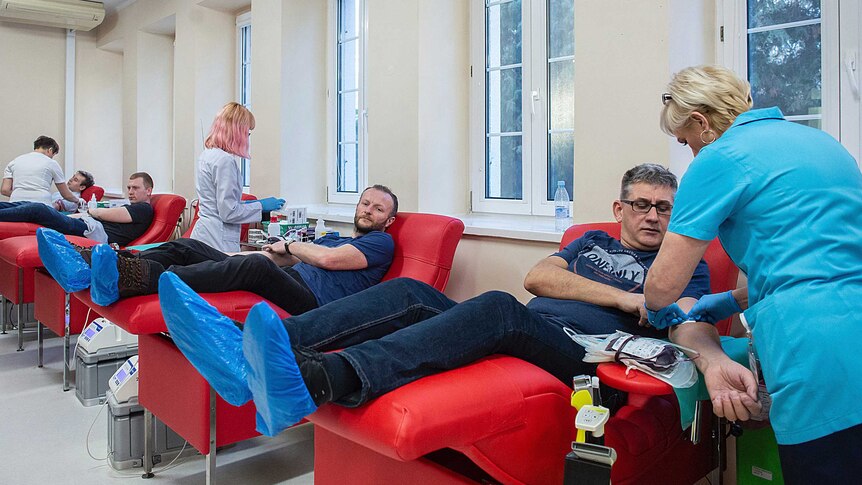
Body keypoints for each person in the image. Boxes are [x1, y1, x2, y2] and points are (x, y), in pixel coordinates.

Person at [158, 164, 711, 436]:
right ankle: (245, 355)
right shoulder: (590, 241)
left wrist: (690, 337)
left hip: (584, 365)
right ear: (620, 210)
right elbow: (539, 277)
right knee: (409, 291)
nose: (652, 216)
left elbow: (687, 327)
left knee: (494, 306)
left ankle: (321, 379)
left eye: (664, 208)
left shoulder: (689, 265)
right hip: (532, 327)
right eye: (641, 205)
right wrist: (624, 294)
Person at [643, 65, 862, 483]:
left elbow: (664, 286)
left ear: (702, 124)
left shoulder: (719, 159)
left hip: (815, 346)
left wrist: (655, 308)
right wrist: (732, 301)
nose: (688, 149)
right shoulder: (823, 143)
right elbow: (816, 258)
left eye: (685, 139)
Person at [44, 185, 398, 311]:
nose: (367, 210)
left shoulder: (381, 241)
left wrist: (286, 245)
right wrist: (226, 257)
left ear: (388, 219)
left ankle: (135, 277)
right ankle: (109, 263)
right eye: (365, 203)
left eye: (377, 208)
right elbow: (279, 256)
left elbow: (328, 260)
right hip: (288, 275)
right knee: (188, 245)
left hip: (313, 301)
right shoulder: (336, 236)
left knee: (258, 268)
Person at [191, 102, 285, 252]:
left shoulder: (208, 155)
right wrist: (261, 206)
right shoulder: (224, 161)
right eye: (247, 132)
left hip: (205, 235)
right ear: (237, 131)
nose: (248, 137)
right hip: (218, 240)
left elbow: (220, 203)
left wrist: (250, 204)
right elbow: (228, 212)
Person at [0, 172, 154, 245]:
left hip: (92, 233)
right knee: (26, 205)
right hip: (86, 225)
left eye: (135, 188)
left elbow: (100, 213)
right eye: (129, 187)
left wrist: (91, 212)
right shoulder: (132, 206)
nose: (131, 191)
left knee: (37, 209)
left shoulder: (143, 209)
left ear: (148, 191)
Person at [2, 136, 81, 207]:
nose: (51, 158)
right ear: (50, 150)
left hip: (15, 205)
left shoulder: (14, 162)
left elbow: (4, 190)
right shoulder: (51, 163)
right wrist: (78, 201)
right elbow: (66, 194)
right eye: (52, 155)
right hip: (41, 206)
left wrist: (21, 195)